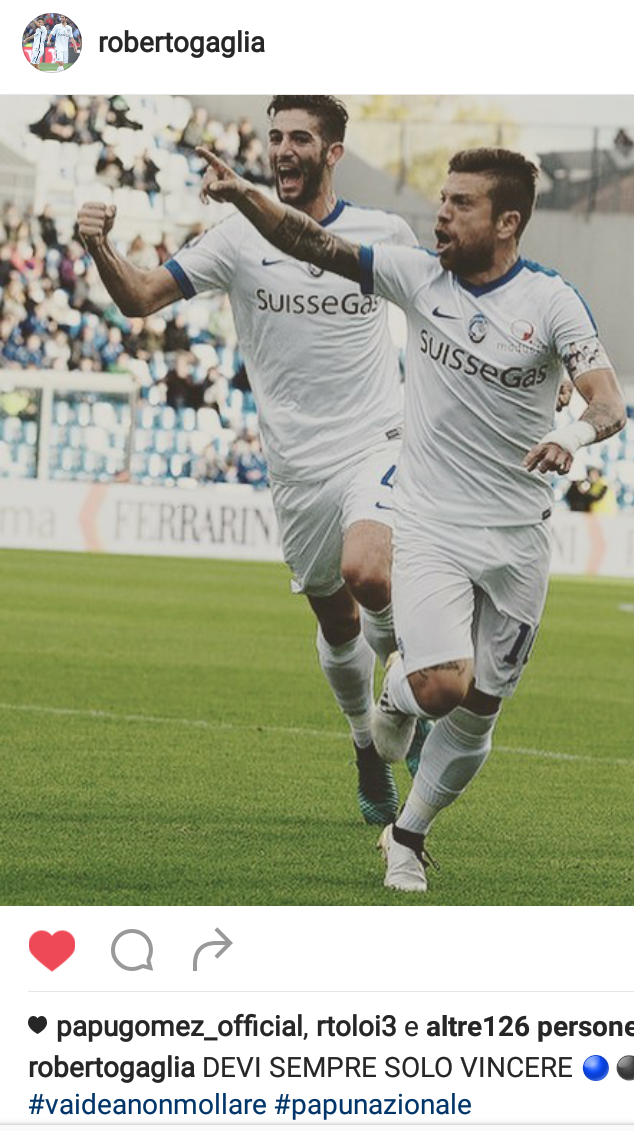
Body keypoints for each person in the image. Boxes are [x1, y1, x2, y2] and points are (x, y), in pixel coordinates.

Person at [192, 145, 627, 892]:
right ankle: (400, 695)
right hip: (428, 524)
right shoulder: (416, 275)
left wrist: (572, 434)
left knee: (480, 711)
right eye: (441, 199)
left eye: (461, 203)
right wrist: (243, 196)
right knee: (442, 689)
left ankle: (407, 835)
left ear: (508, 221)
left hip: (518, 538)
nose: (441, 214)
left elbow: (607, 403)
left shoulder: (552, 301)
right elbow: (312, 242)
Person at [76, 95, 430, 829]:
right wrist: (99, 248)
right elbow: (140, 298)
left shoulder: (382, 233)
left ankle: (409, 699)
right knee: (337, 624)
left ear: (333, 152)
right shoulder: (236, 238)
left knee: (370, 572)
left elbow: (444, 308)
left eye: (299, 137)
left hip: (378, 440)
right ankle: (366, 743)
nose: (282, 149)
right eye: (274, 137)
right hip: (296, 467)